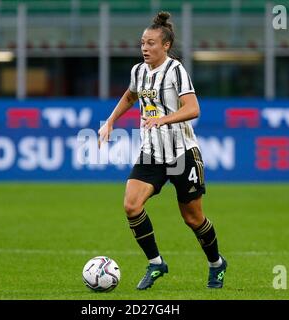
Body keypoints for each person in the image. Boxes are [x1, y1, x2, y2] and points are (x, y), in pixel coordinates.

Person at [98, 11, 227, 290]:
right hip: (152, 152)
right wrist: (109, 122)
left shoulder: (176, 71)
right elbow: (131, 95)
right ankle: (156, 263)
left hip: (182, 153)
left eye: (151, 43)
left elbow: (193, 109)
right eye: (143, 43)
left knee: (192, 218)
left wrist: (162, 119)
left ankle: (216, 264)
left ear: (165, 45)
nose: (145, 47)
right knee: (131, 205)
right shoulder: (138, 71)